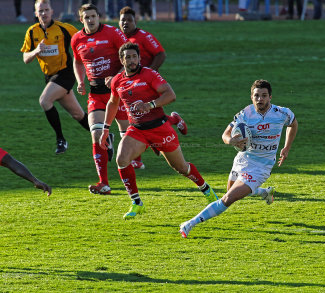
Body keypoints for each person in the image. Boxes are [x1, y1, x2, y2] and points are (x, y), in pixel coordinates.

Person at [99, 42, 218, 219]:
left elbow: (170, 95)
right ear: (121, 60)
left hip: (160, 129)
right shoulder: (117, 80)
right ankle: (137, 203)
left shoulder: (149, 74)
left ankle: (206, 189)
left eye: (134, 56)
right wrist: (105, 129)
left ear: (139, 58)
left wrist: (149, 105)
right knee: (122, 160)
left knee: (182, 168)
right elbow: (112, 103)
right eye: (128, 57)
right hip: (137, 130)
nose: (132, 60)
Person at [179, 79, 298, 238]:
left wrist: (286, 148)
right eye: (256, 95)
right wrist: (231, 141)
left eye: (264, 96)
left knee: (228, 198)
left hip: (260, 168)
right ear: (251, 97)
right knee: (232, 191)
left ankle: (189, 224)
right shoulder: (245, 114)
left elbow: (293, 124)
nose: (260, 99)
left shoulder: (281, 113)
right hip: (243, 159)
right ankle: (264, 193)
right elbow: (225, 134)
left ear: (270, 97)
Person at [71, 3, 130, 195]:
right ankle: (103, 182)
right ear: (81, 20)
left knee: (131, 134)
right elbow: (77, 61)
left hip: (117, 93)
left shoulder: (113, 33)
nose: (90, 20)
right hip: (95, 94)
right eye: (86, 17)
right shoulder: (77, 39)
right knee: (96, 134)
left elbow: (129, 57)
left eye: (93, 16)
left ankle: (170, 122)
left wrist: (116, 77)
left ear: (99, 17)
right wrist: (80, 81)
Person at [119, 6, 187, 168]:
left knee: (147, 115)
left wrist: (149, 74)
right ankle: (173, 120)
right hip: (128, 84)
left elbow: (161, 54)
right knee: (135, 116)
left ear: (136, 22)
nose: (126, 23)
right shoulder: (119, 38)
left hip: (146, 84)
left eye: (130, 20)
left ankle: (138, 157)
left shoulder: (143, 36)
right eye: (123, 21)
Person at [21, 0, 90, 155]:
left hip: (66, 73)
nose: (44, 13)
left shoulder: (65, 29)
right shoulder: (32, 32)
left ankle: (61, 139)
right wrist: (36, 51)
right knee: (77, 114)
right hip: (50, 77)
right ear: (36, 13)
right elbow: (26, 58)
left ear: (52, 11)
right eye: (41, 10)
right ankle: (105, 137)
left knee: (44, 101)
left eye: (46, 10)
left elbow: (84, 40)